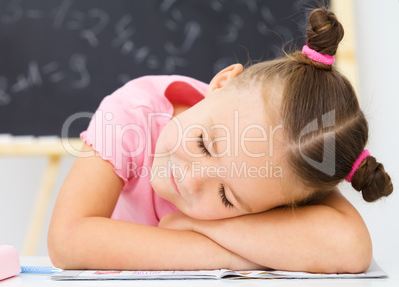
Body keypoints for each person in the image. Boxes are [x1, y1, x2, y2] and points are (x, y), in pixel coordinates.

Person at [48, 7, 393, 273]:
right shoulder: (132, 114)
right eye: (203, 144)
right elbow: (67, 240)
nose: (192, 180)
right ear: (222, 82)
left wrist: (191, 224)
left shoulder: (290, 165)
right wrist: (232, 255)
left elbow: (352, 247)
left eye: (227, 197)